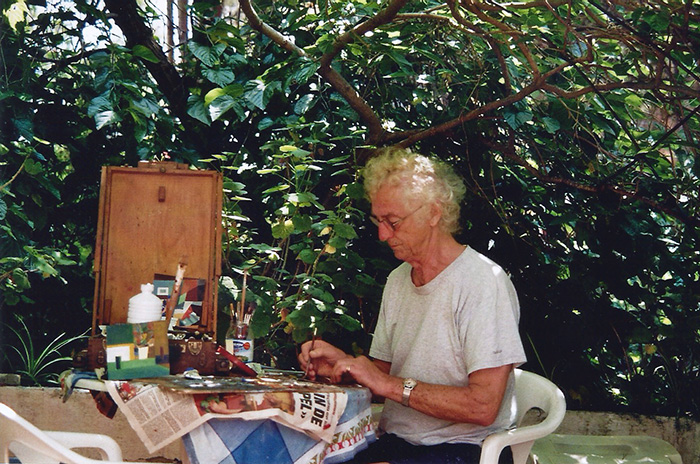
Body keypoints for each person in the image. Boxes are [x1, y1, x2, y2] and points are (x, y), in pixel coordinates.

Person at [298, 147, 527, 464]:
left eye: (393, 221)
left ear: (434, 213)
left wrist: (385, 383)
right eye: (378, 220)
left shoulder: (483, 283)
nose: (382, 235)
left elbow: (482, 407)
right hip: (398, 443)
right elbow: (383, 378)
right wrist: (344, 366)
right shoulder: (398, 280)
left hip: (465, 449)